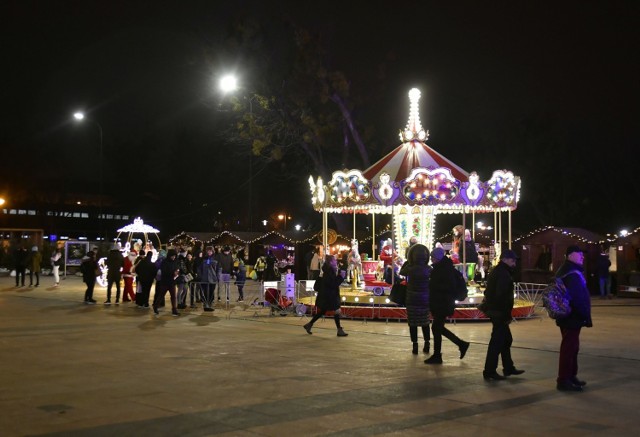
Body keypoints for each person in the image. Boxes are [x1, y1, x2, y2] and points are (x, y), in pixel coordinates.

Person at [481, 249, 524, 381]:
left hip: (497, 311)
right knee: (497, 342)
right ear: (505, 259)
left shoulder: (499, 271)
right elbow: (501, 296)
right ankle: (489, 371)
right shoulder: (503, 274)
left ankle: (508, 367)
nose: (514, 263)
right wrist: (505, 315)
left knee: (505, 340)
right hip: (499, 313)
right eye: (512, 260)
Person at [555, 245, 593, 392]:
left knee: (572, 348)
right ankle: (564, 380)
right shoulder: (571, 273)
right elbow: (577, 298)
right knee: (569, 348)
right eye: (579, 254)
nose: (582, 256)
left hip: (567, 315)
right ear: (570, 255)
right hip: (571, 316)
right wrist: (585, 315)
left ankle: (571, 376)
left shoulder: (566, 270)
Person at [425, 247, 470, 364]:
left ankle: (439, 354)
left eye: (433, 257)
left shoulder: (441, 270)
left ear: (437, 258)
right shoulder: (446, 267)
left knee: (436, 328)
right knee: (437, 328)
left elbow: (443, 287)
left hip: (442, 303)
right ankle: (459, 345)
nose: (431, 259)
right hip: (443, 302)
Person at [303, 255, 348, 337]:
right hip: (329, 296)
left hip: (325, 295)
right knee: (337, 311)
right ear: (330, 262)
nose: (336, 261)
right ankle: (339, 330)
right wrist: (341, 277)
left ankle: (309, 324)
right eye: (334, 260)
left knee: (323, 310)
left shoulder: (326, 270)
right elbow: (332, 284)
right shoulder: (329, 271)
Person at [399, 244, 432, 355]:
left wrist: (408, 262)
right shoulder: (428, 269)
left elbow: (401, 272)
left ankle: (415, 345)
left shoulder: (410, 268)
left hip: (412, 298)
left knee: (412, 323)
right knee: (425, 322)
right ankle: (427, 342)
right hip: (424, 298)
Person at [153, 249, 180, 316]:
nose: (173, 257)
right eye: (172, 256)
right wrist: (172, 273)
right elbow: (164, 271)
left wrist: (177, 272)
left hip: (172, 281)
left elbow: (177, 268)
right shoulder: (164, 262)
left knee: (173, 296)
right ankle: (155, 306)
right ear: (169, 255)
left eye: (174, 256)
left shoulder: (175, 261)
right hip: (165, 282)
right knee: (161, 295)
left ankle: (174, 309)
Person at [198, 246, 218, 311]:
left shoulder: (216, 258)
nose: (209, 252)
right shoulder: (203, 259)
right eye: (208, 250)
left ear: (213, 251)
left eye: (210, 250)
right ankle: (206, 305)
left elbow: (219, 269)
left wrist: (217, 277)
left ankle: (210, 305)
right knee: (205, 292)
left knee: (211, 292)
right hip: (204, 279)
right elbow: (199, 268)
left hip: (213, 279)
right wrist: (200, 276)